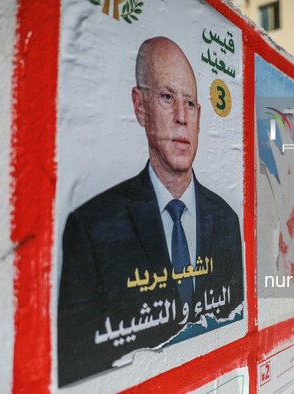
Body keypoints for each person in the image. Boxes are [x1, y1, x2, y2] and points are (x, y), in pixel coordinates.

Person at [57, 37, 243, 387]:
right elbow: (77, 362)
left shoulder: (227, 221)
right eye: (167, 97)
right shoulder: (93, 227)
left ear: (200, 117)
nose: (181, 118)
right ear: (140, 106)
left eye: (190, 103)